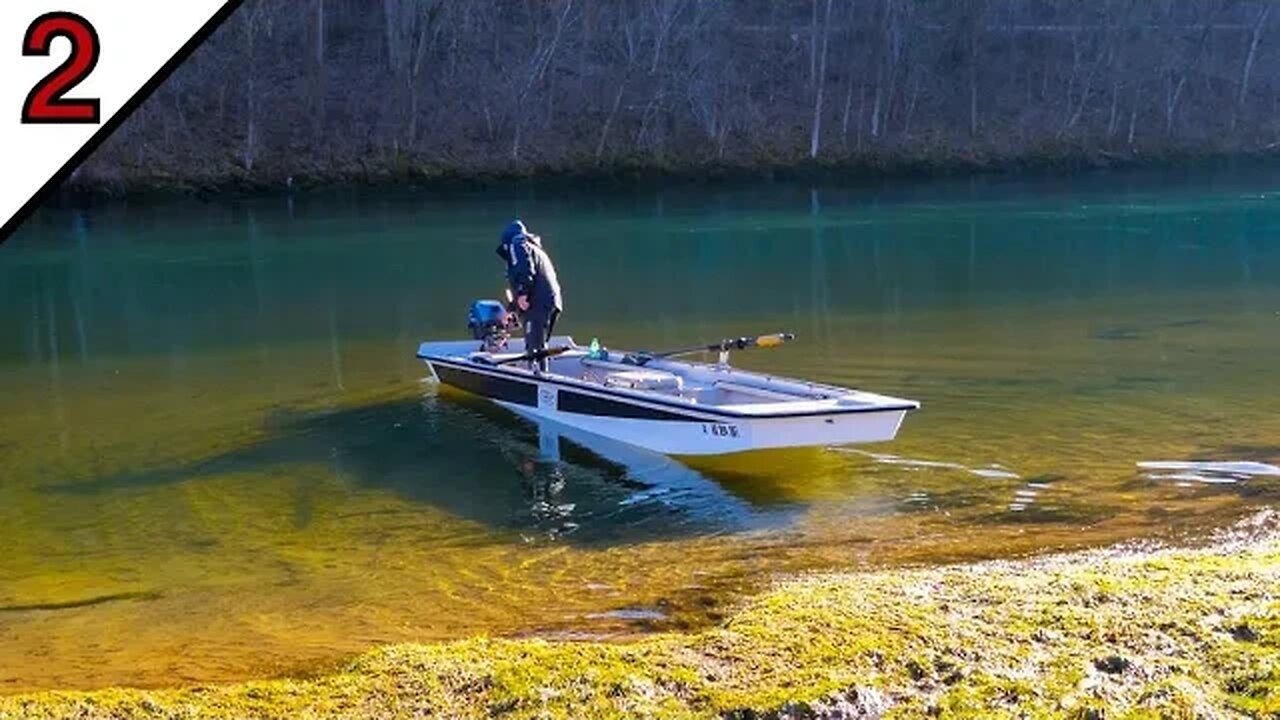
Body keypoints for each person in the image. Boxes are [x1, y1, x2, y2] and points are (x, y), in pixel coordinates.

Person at [496, 219, 563, 372]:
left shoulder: (517, 243)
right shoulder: (535, 249)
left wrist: (522, 292)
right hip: (552, 301)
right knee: (538, 344)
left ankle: (539, 379)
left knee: (534, 347)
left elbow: (525, 269)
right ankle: (540, 373)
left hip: (539, 303)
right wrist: (511, 310)